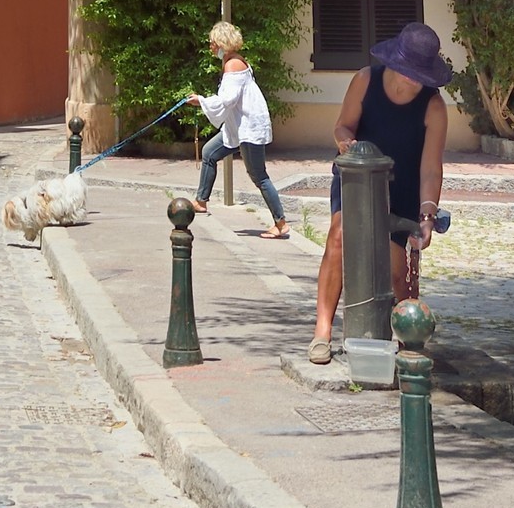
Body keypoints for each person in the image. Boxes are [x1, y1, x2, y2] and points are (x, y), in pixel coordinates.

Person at [308, 20, 450, 364]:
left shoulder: (434, 107)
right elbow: (342, 125)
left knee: (396, 269)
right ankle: (322, 331)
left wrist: (427, 215)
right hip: (356, 177)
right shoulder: (365, 80)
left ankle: (406, 339)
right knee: (339, 238)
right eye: (407, 69)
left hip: (401, 187)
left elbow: (430, 167)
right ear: (395, 61)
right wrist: (346, 144)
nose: (411, 78)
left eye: (420, 73)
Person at [188, 20, 289, 240]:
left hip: (249, 127)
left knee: (259, 175)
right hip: (237, 127)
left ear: (221, 42)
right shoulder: (230, 61)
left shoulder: (233, 64)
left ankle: (280, 223)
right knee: (209, 153)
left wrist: (201, 101)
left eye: (212, 43)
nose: (210, 47)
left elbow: (227, 99)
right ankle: (201, 201)